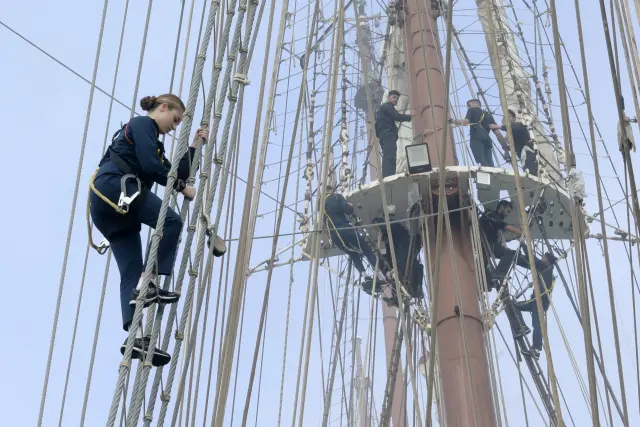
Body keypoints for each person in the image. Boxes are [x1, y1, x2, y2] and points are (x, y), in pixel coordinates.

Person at [89, 94, 206, 367]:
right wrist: (181, 188)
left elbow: (171, 170)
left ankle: (135, 337)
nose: (175, 126)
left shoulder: (154, 143)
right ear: (163, 108)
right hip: (114, 187)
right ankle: (151, 282)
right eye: (175, 119)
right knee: (172, 222)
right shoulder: (143, 125)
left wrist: (194, 146)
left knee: (131, 271)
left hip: (114, 212)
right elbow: (154, 168)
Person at [324, 183, 378, 278]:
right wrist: (350, 205)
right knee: (364, 246)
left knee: (353, 254)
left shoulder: (322, 207)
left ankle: (365, 276)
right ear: (331, 190)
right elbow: (348, 210)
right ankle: (378, 269)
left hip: (336, 238)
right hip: (345, 230)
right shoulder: (336, 197)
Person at [514, 251, 558, 360]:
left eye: (543, 257)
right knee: (514, 306)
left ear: (547, 260)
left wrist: (524, 245)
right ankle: (523, 327)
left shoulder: (546, 269)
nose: (542, 258)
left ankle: (536, 349)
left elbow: (532, 259)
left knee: (537, 325)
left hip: (539, 302)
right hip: (536, 301)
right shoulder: (546, 271)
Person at [479, 200, 528, 290]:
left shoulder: (491, 216)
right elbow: (504, 226)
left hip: (485, 247)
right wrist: (522, 233)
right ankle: (499, 273)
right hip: (488, 244)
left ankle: (490, 281)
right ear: (501, 207)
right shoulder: (492, 215)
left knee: (489, 283)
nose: (507, 214)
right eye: (508, 211)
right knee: (511, 253)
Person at [450, 99, 509, 167]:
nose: (468, 107)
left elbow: (466, 122)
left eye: (469, 105)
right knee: (489, 161)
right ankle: (492, 174)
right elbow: (498, 134)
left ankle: (486, 173)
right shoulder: (488, 115)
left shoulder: (472, 110)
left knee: (480, 159)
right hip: (487, 139)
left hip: (477, 137)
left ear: (475, 104)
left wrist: (453, 121)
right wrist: (506, 150)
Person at [375, 90, 412, 177]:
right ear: (388, 97)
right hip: (388, 134)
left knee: (388, 155)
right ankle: (389, 176)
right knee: (390, 156)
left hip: (384, 135)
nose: (396, 99)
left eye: (397, 98)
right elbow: (397, 116)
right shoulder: (387, 106)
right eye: (394, 97)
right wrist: (410, 116)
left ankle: (387, 175)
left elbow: (376, 128)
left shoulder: (382, 110)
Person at [490, 109, 538, 176]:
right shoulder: (511, 134)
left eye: (509, 117)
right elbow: (515, 144)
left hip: (528, 153)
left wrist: (498, 126)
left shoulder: (520, 125)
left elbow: (514, 128)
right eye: (505, 118)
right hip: (522, 155)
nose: (507, 119)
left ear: (514, 118)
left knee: (531, 172)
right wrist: (507, 150)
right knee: (526, 169)